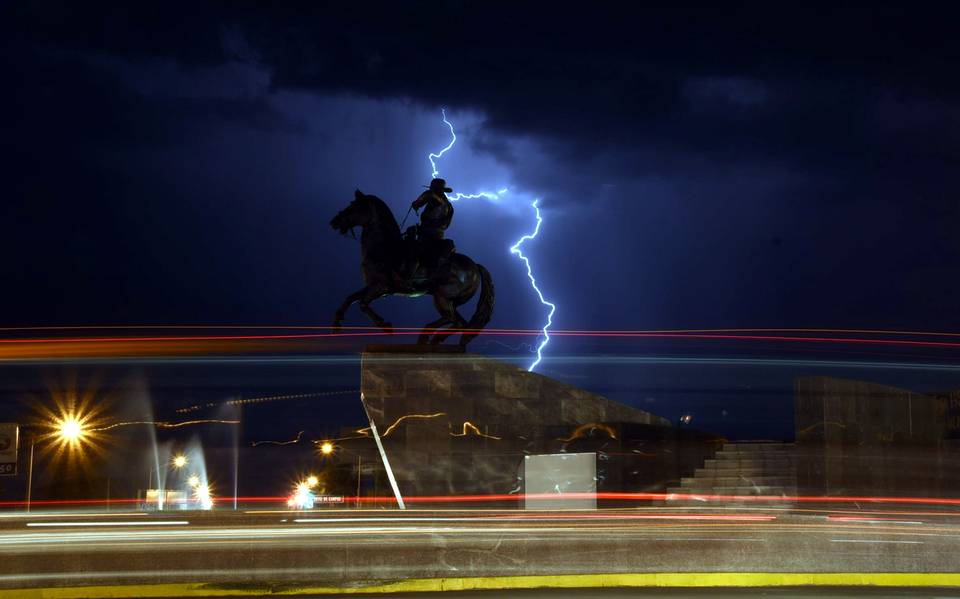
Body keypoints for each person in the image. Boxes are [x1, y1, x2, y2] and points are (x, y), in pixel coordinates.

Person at [408, 178, 456, 273]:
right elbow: (446, 224)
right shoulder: (450, 206)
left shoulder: (432, 195)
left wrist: (415, 204)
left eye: (433, 188)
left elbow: (420, 201)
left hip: (427, 232)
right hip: (438, 234)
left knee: (412, 248)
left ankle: (409, 275)